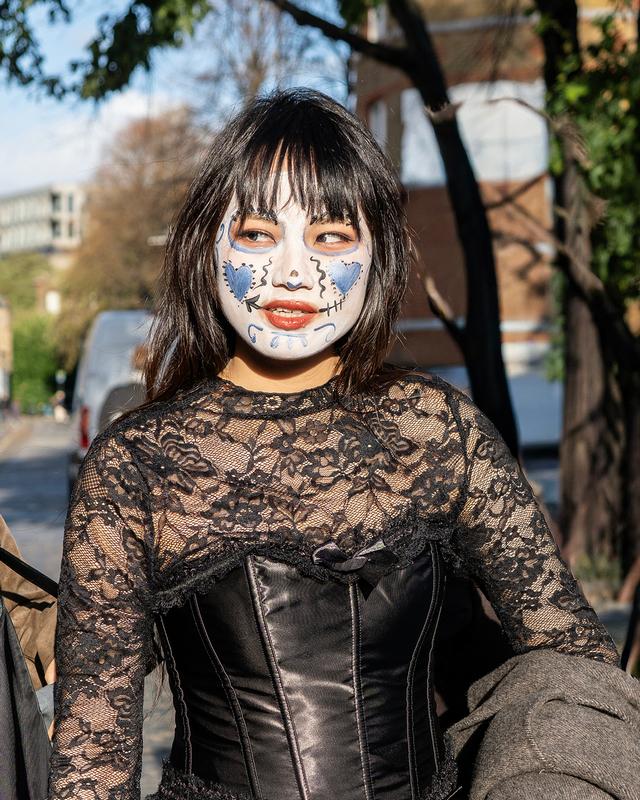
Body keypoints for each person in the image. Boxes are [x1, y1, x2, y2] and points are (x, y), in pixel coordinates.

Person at [48, 89, 619, 800]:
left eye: (330, 237)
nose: (293, 271)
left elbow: (576, 668)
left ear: (377, 252)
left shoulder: (438, 429)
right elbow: (91, 764)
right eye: (258, 234)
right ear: (207, 244)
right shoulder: (137, 464)